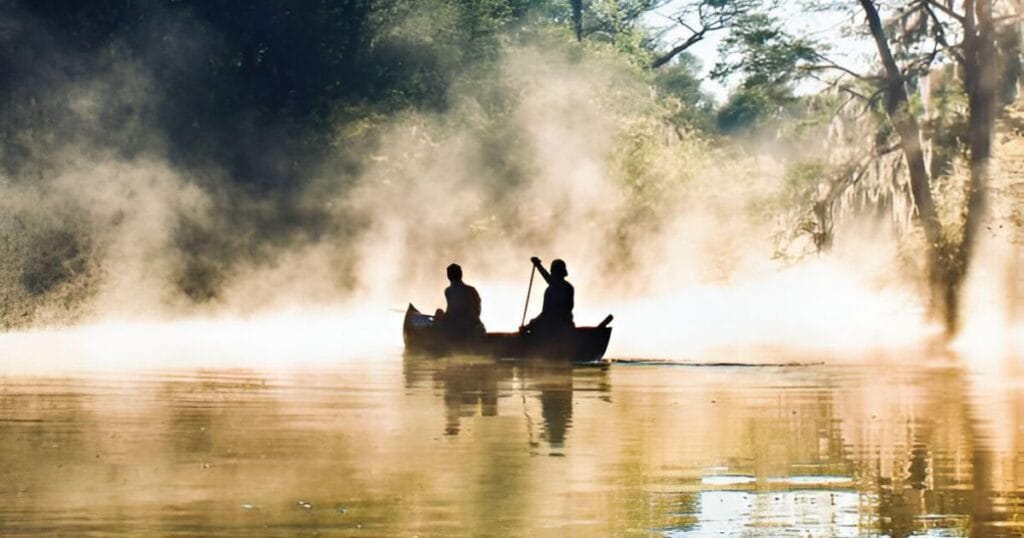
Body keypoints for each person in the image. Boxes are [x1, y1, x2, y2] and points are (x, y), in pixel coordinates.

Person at [435, 263, 485, 341]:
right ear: (461, 274)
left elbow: (452, 312)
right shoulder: (471, 290)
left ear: (448, 277)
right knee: (440, 314)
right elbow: (477, 310)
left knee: (438, 312)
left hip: (460, 330)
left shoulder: (449, 291)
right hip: (475, 327)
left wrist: (440, 317)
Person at [525, 256, 574, 335]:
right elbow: (545, 313)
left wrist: (538, 265)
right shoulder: (565, 287)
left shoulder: (563, 287)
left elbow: (547, 314)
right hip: (560, 324)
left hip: (557, 326)